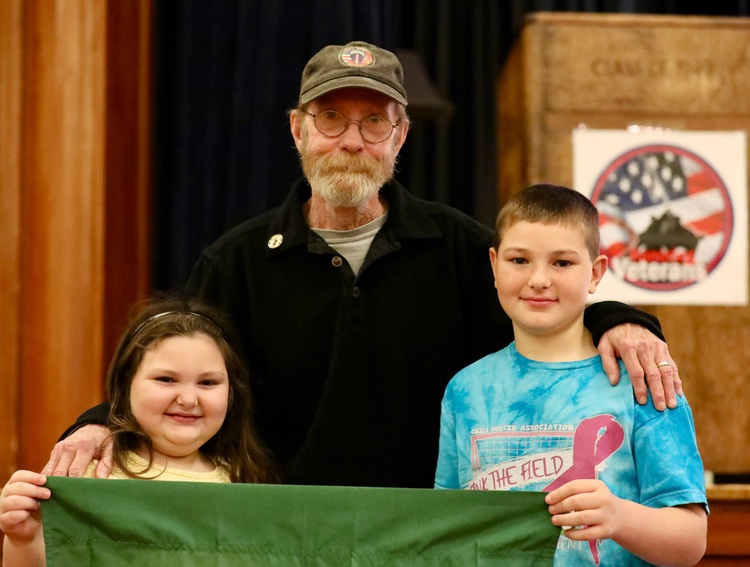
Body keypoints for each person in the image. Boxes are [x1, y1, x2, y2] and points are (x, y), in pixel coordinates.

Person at [43, 41, 681, 489]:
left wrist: (622, 319)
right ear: (298, 131)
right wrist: (102, 424)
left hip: (426, 534)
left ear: (400, 137)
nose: (351, 140)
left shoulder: (461, 246)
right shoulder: (235, 261)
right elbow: (171, 367)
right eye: (331, 119)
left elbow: (544, 310)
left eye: (374, 122)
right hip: (280, 531)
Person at [434, 184, 707, 566]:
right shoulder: (465, 390)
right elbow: (445, 527)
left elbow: (691, 541)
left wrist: (620, 517)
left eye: (562, 263)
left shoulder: (641, 378)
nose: (539, 279)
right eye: (519, 260)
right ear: (494, 266)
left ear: (595, 273)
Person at [1, 296, 276, 566]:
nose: (189, 399)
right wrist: (23, 539)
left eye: (207, 382)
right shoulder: (89, 474)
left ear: (231, 393)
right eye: (166, 379)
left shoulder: (245, 481)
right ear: (126, 385)